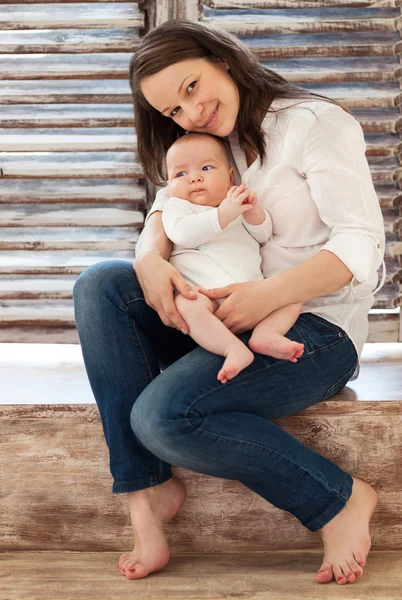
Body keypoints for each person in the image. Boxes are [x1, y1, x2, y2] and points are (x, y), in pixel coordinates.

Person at [73, 19, 386, 586]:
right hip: (219, 320)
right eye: (172, 112)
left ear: (220, 57)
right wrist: (149, 258)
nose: (190, 115)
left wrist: (266, 295)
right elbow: (169, 207)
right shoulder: (209, 145)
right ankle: (146, 491)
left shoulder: (315, 125)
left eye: (191, 88)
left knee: (163, 417)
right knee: (102, 284)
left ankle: (337, 499)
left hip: (313, 329)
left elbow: (361, 245)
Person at [163, 131, 304, 383]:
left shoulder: (234, 204)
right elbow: (182, 234)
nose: (194, 178)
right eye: (180, 174)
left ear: (230, 177)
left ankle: (266, 334)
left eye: (205, 168)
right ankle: (232, 349)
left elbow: (263, 235)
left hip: (253, 294)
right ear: (169, 185)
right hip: (205, 295)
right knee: (187, 306)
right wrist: (225, 214)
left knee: (293, 297)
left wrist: (252, 212)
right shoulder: (178, 207)